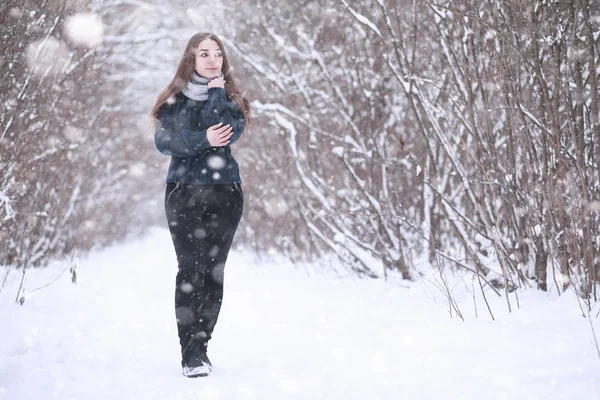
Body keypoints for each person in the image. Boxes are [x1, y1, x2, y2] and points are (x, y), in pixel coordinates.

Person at [150, 32, 251, 378]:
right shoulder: (174, 100)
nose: (211, 60)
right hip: (183, 193)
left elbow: (223, 130)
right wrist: (201, 140)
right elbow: (165, 141)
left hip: (225, 193)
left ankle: (201, 349)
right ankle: (190, 353)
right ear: (191, 59)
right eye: (203, 54)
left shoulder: (231, 100)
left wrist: (216, 94)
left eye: (217, 54)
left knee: (212, 274)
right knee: (190, 271)